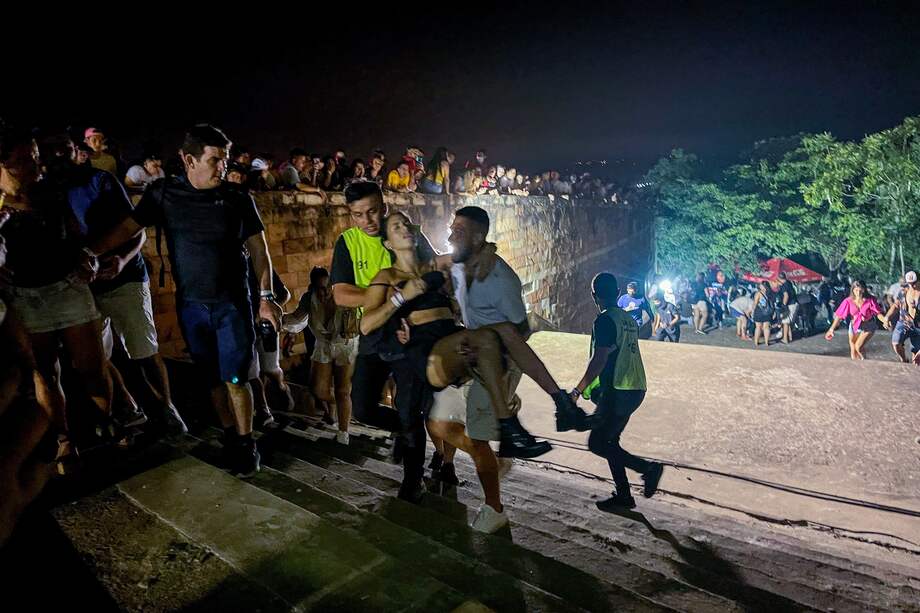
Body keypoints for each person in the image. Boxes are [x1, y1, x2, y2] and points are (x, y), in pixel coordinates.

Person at [88, 124, 281, 478]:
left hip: (232, 305)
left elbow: (259, 251)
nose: (222, 167)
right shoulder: (164, 194)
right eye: (215, 160)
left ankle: (246, 442)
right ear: (189, 160)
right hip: (192, 305)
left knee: (236, 378)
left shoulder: (238, 199)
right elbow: (129, 227)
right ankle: (230, 438)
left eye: (223, 159)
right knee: (211, 379)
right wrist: (92, 252)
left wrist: (265, 298)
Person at [1, 129, 117, 474]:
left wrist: (87, 256)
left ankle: (103, 426)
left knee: (92, 368)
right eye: (24, 161)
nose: (36, 167)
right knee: (45, 372)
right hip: (24, 296)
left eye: (36, 158)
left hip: (66, 286)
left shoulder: (49, 190)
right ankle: (62, 440)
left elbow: (76, 233)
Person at [570, 273, 664, 511]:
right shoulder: (627, 319)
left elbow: (600, 358)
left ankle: (647, 469)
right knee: (609, 440)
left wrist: (577, 390)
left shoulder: (604, 321)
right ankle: (624, 495)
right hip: (635, 387)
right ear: (618, 291)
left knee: (598, 443)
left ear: (594, 296)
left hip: (618, 389)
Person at [284, 267, 357, 444]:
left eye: (327, 287)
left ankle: (343, 431)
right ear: (313, 287)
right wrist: (277, 319)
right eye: (319, 288)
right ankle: (337, 405)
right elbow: (296, 318)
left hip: (345, 345)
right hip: (323, 345)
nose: (324, 292)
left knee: (343, 390)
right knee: (319, 390)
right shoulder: (309, 299)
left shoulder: (344, 297)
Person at [825, 279, 883, 360]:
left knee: (858, 346)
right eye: (856, 290)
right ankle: (857, 366)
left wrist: (885, 320)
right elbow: (839, 316)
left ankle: (865, 363)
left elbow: (878, 313)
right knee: (853, 348)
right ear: (852, 290)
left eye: (860, 290)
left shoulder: (870, 300)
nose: (858, 292)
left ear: (864, 289)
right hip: (854, 326)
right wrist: (831, 329)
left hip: (868, 325)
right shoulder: (848, 301)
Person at [882, 271, 920, 363]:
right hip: (904, 322)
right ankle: (904, 360)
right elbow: (895, 305)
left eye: (914, 283)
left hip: (918, 326)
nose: (911, 286)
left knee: (916, 357)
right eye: (909, 283)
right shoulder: (903, 292)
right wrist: (887, 317)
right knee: (896, 343)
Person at [749, 280, 774, 348]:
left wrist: (752, 311)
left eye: (760, 284)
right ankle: (766, 342)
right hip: (768, 312)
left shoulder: (758, 293)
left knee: (758, 327)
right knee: (766, 327)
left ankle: (756, 342)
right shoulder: (771, 293)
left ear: (763, 286)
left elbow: (755, 303)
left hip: (759, 312)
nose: (759, 285)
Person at [775, 272, 797, 344]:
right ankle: (789, 337)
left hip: (789, 304)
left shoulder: (784, 286)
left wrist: (783, 305)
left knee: (785, 322)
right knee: (788, 322)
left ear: (779, 278)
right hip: (793, 303)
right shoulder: (788, 283)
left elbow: (786, 295)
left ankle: (785, 339)